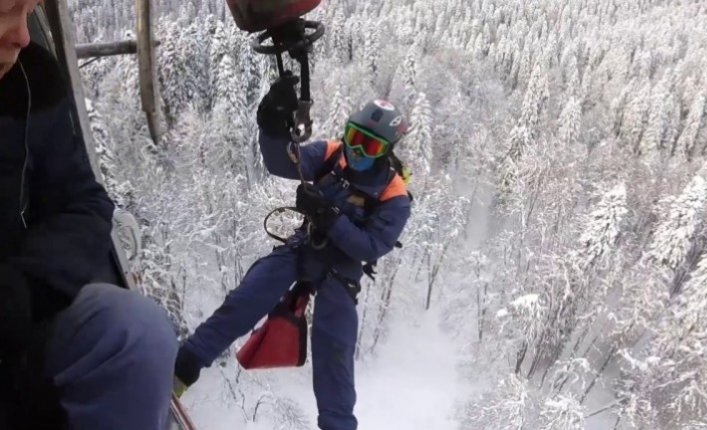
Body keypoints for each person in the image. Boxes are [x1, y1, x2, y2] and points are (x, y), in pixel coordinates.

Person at [173, 75, 412, 430]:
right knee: (246, 299)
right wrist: (272, 125)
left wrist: (328, 216)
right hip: (305, 246)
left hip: (340, 270)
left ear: (388, 150)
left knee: (335, 352)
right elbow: (286, 161)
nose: (358, 151)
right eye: (354, 138)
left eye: (370, 146)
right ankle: (181, 370)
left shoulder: (394, 195)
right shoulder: (334, 156)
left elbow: (371, 246)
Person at [0, 1, 178, 428]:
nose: (23, 36)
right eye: (6, 12)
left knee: (136, 332)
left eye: (28, 11)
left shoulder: (30, 81)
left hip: (16, 329)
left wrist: (24, 284)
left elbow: (83, 203)